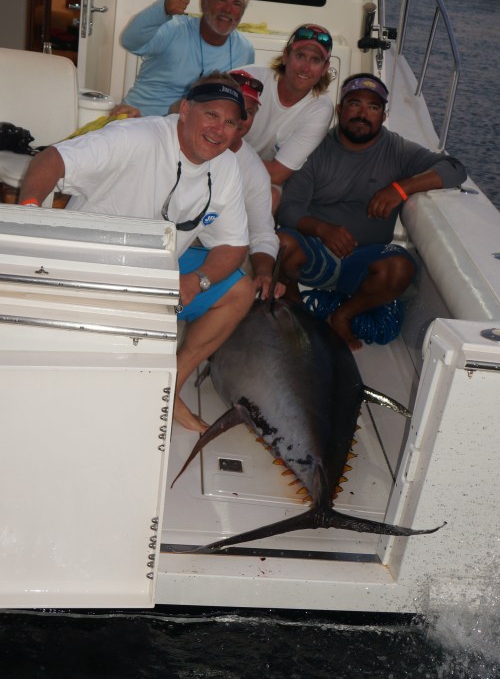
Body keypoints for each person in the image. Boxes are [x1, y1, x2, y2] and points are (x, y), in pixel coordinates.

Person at [18, 73, 256, 433]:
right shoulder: (136, 136)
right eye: (211, 115)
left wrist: (198, 280)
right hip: (89, 271)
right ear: (185, 110)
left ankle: (168, 389)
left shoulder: (225, 167)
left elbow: (234, 245)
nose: (219, 130)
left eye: (230, 123)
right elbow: (51, 160)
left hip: (154, 275)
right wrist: (31, 218)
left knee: (239, 290)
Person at [276, 73, 467, 350]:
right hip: (317, 253)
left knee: (400, 266)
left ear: (383, 115)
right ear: (340, 109)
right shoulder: (315, 147)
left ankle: (342, 316)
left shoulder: (397, 149)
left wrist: (401, 188)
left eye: (373, 107)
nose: (363, 114)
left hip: (364, 261)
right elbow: (289, 209)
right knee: (281, 244)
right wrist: (323, 230)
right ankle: (296, 316)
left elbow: (455, 168)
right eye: (354, 103)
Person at [114, 0, 255, 117]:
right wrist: (164, 8)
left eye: (237, 3)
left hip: (192, 128)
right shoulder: (175, 29)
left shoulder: (244, 51)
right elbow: (130, 41)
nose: (228, 9)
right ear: (204, 2)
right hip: (139, 119)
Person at [241, 24, 335, 211]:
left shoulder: (320, 108)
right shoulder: (250, 79)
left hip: (259, 176)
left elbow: (277, 175)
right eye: (300, 56)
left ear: (325, 68)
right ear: (285, 56)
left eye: (315, 60)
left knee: (272, 197)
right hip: (217, 160)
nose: (305, 68)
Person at [228, 69, 285, 300]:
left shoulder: (254, 169)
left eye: (249, 112)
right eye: (235, 107)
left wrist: (264, 273)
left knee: (244, 288)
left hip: (219, 248)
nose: (241, 117)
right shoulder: (174, 136)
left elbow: (261, 233)